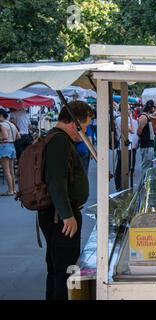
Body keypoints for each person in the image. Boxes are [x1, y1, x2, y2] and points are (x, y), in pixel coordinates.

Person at [38, 101, 92, 300]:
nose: (85, 131)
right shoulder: (60, 141)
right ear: (74, 123)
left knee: (56, 268)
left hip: (56, 214)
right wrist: (67, 215)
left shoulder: (55, 138)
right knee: (65, 270)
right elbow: (56, 181)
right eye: (84, 126)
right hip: (60, 216)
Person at [114, 108, 136, 191]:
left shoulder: (118, 119)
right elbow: (132, 130)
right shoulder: (122, 119)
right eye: (129, 109)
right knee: (124, 167)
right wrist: (130, 117)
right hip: (125, 146)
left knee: (119, 166)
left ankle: (119, 185)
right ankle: (121, 186)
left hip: (122, 145)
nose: (130, 111)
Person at [0, 108, 20, 196]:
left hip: (4, 146)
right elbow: (18, 136)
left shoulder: (1, 124)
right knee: (11, 169)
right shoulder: (12, 124)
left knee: (6, 170)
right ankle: (14, 190)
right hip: (12, 146)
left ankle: (10, 190)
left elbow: (4, 136)